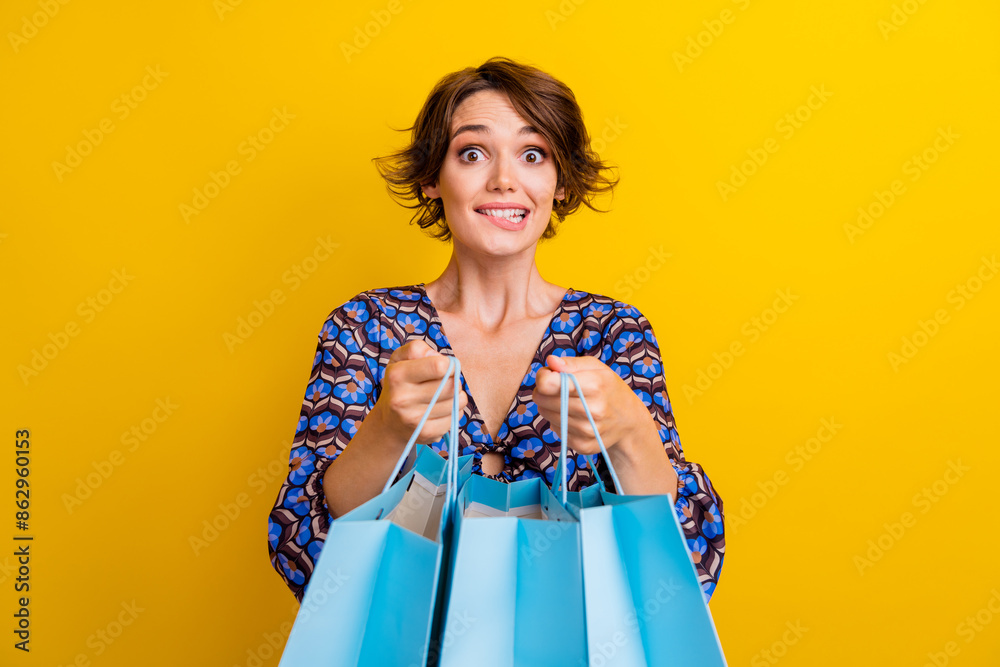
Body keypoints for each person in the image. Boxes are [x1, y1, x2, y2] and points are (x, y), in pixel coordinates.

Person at [267, 56, 725, 605]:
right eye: (473, 153)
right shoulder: (366, 328)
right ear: (434, 179)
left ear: (559, 183)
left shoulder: (613, 332)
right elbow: (308, 540)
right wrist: (389, 427)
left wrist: (629, 430)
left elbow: (682, 560)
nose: (504, 180)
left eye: (533, 155)